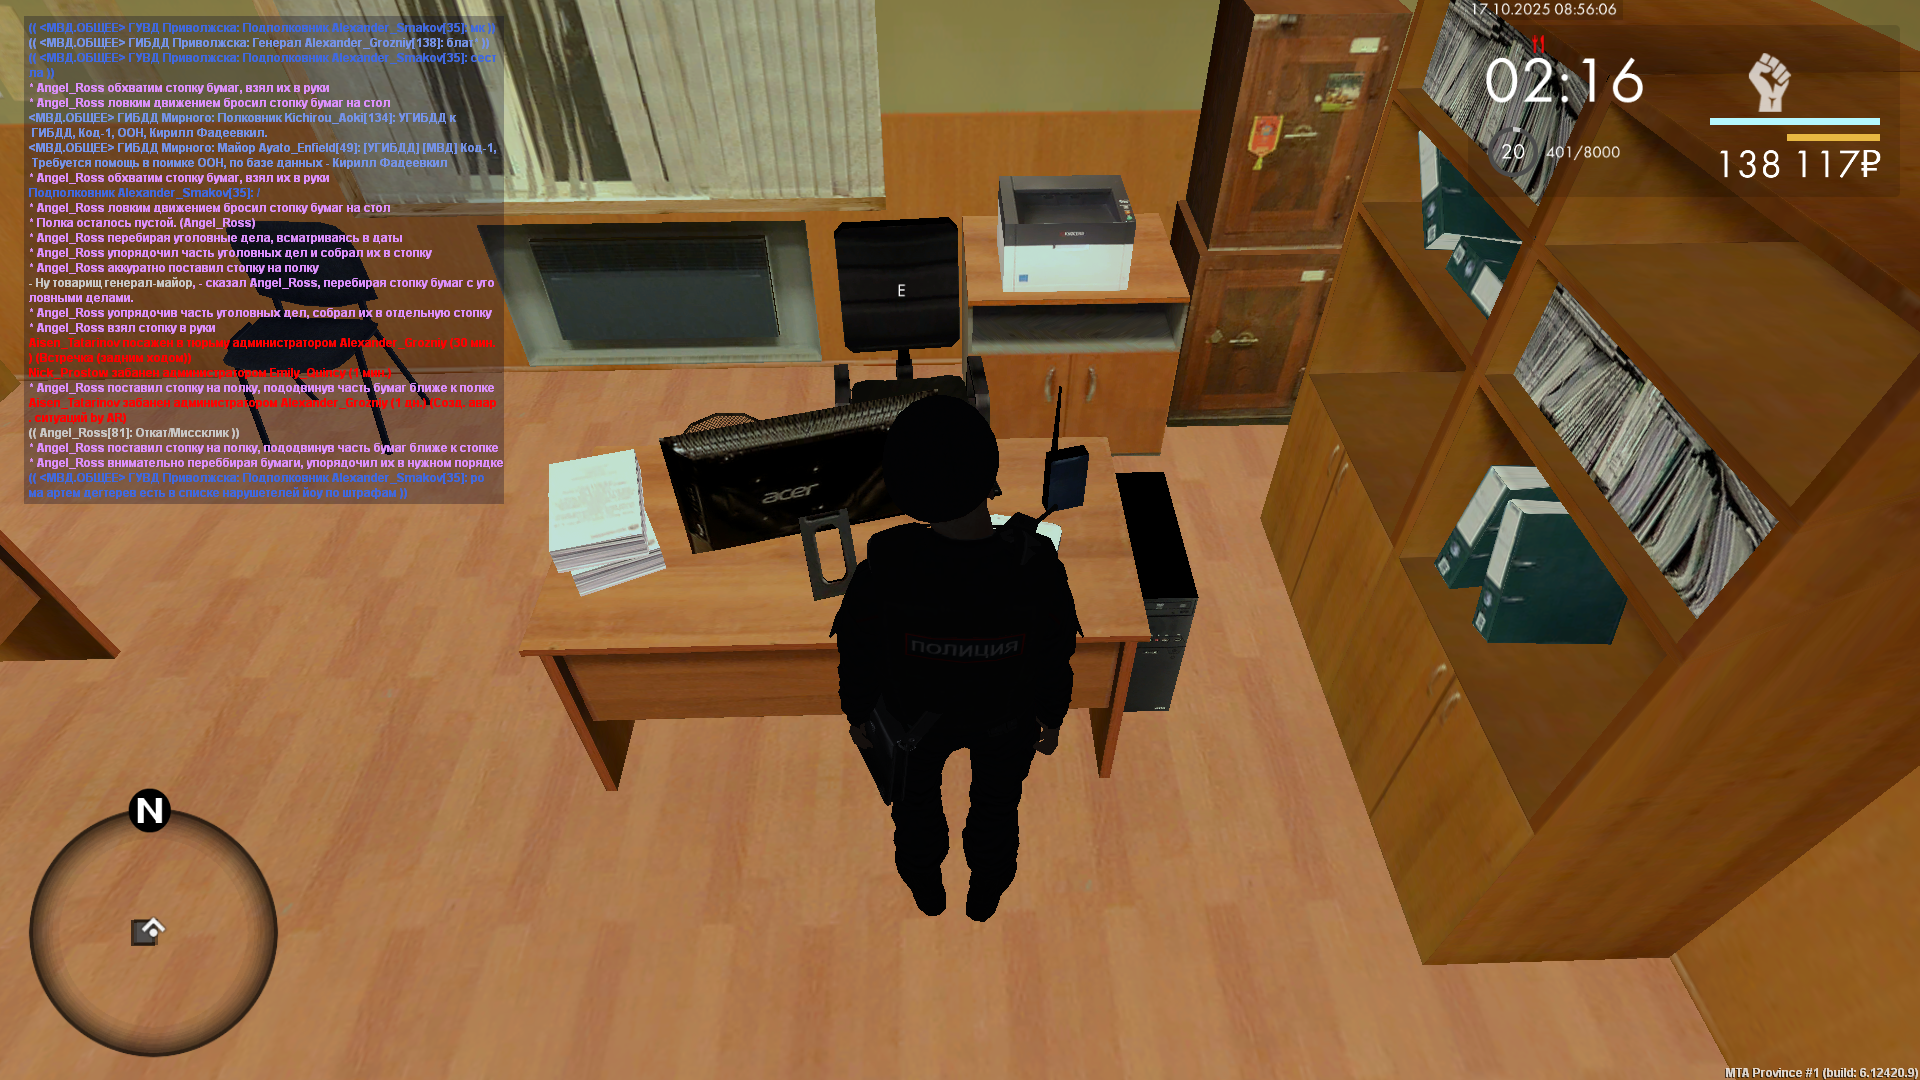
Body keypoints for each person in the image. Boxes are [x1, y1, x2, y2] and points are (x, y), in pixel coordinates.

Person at [830, 392, 1081, 922]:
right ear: (990, 479)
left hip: (911, 722)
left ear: (903, 491)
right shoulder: (1036, 565)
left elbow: (857, 653)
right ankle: (986, 891)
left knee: (914, 807)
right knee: (997, 807)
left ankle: (925, 886)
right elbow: (1055, 654)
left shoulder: (884, 568)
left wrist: (857, 716)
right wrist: (1051, 718)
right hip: (1006, 718)